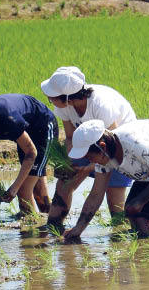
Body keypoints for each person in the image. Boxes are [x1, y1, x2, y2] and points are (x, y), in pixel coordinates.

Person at [40, 66, 136, 228]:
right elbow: (70, 137)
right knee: (64, 183)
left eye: (52, 98)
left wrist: (88, 168)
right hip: (88, 143)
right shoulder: (64, 106)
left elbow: (113, 147)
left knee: (113, 195)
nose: (51, 100)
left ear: (68, 98)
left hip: (121, 148)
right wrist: (69, 164)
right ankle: (53, 227)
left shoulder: (100, 105)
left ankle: (120, 235)